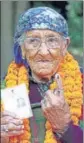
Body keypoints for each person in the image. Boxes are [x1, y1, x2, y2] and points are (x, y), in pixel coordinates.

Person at [1, 7, 83, 143]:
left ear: (64, 46)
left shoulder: (81, 82)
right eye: (33, 41)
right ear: (22, 48)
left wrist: (65, 127)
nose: (44, 52)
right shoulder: (7, 87)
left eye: (52, 40)